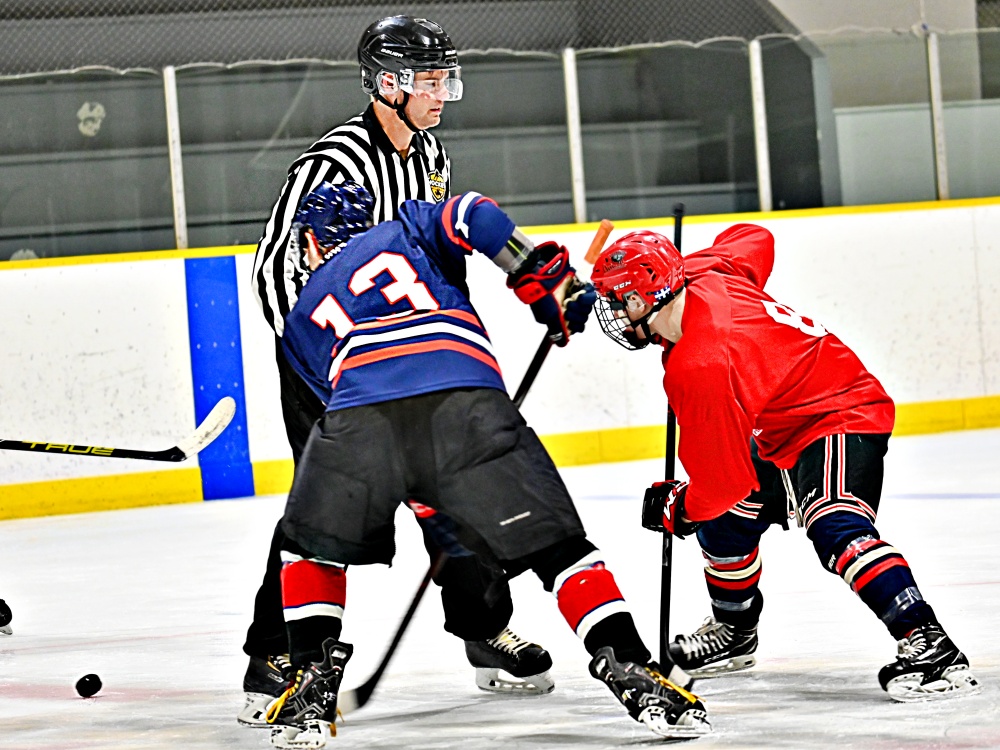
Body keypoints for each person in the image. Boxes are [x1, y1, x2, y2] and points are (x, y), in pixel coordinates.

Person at [256, 181, 711, 748]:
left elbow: (347, 410)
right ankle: (629, 665)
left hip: (359, 417)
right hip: (466, 398)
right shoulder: (407, 228)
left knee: (309, 548)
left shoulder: (300, 311)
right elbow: (474, 213)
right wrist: (542, 281)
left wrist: (419, 490)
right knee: (560, 550)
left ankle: (308, 687)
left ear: (311, 244)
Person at [244, 15, 552, 709]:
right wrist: (336, 369)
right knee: (326, 508)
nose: (444, 92)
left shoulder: (430, 155)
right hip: (326, 364)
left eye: (446, 79)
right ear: (390, 84)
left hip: (407, 356)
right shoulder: (334, 166)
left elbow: (429, 250)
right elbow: (278, 275)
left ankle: (483, 629)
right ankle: (275, 656)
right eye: (432, 80)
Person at [589, 225, 980, 703]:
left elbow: (718, 484)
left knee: (836, 530)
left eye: (620, 300)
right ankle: (735, 633)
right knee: (730, 517)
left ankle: (931, 645)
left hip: (840, 413)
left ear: (651, 294)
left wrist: (680, 507)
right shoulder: (709, 272)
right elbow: (753, 238)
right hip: (782, 426)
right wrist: (689, 265)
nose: (614, 313)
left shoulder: (701, 365)